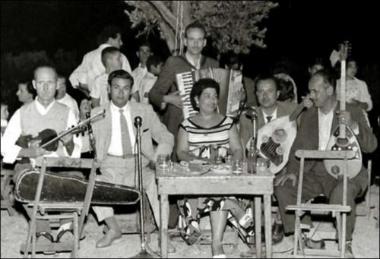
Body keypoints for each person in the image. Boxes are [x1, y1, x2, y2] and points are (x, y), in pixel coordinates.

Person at [274, 70, 377, 257]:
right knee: (284, 187)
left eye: (315, 91)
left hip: (346, 172)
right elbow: (298, 146)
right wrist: (293, 172)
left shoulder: (352, 110)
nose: (311, 96)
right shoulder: (309, 115)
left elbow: (371, 146)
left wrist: (353, 125)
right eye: (310, 91)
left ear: (329, 90)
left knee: (342, 192)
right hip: (314, 171)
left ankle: (345, 243)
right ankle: (303, 235)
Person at [90, 69, 174, 248]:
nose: (121, 93)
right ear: (108, 89)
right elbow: (84, 143)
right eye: (116, 88)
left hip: (140, 166)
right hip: (110, 167)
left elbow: (166, 137)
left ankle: (163, 235)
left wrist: (157, 159)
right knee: (93, 184)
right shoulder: (97, 114)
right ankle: (113, 229)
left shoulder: (144, 110)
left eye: (126, 88)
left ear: (131, 90)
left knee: (159, 183)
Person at [1, 65, 82, 244]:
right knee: (23, 182)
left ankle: (66, 227)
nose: (46, 88)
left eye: (50, 83)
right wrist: (30, 151)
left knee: (78, 181)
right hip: (32, 167)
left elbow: (77, 151)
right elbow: (4, 147)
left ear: (58, 85)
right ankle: (41, 230)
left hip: (59, 168)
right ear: (34, 85)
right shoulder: (22, 113)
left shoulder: (67, 112)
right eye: (41, 83)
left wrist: (69, 143)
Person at [176, 78, 250, 258]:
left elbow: (238, 150)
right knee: (218, 194)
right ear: (196, 100)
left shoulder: (228, 123)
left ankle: (217, 244)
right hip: (196, 178)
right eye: (207, 96)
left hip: (223, 176)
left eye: (215, 96)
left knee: (220, 190)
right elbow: (181, 153)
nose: (212, 100)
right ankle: (233, 210)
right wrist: (201, 162)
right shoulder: (186, 125)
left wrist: (230, 166)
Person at [149, 21, 219, 144]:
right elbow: (153, 94)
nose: (196, 44)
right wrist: (169, 99)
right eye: (192, 39)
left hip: (206, 125)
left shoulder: (213, 64)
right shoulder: (173, 62)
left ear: (204, 43)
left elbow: (220, 96)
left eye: (199, 39)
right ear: (185, 41)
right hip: (178, 123)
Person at [69, 25, 132, 97]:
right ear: (110, 39)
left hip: (95, 101)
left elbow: (73, 79)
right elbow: (130, 83)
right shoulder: (121, 57)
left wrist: (88, 91)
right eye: (119, 40)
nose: (121, 43)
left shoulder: (89, 55)